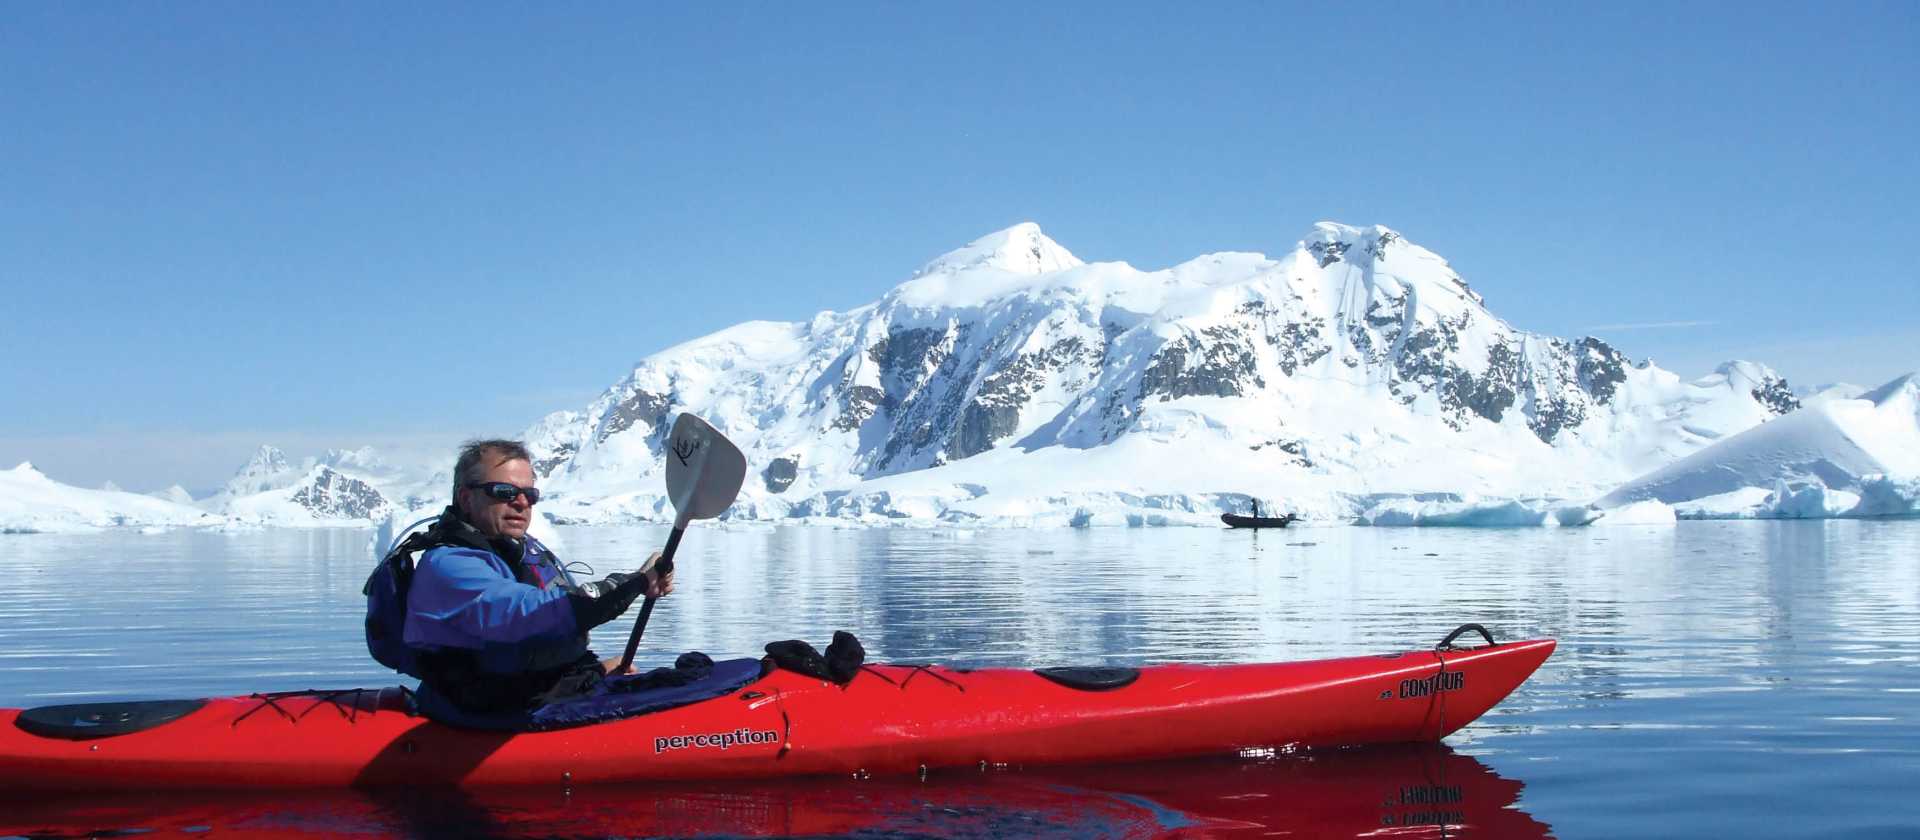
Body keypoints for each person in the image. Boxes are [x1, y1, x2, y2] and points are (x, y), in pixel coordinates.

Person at [402, 439, 672, 714]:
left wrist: (597, 671)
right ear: (466, 498)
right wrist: (636, 582)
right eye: (504, 492)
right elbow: (537, 612)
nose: (521, 502)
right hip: (489, 717)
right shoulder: (450, 566)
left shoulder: (510, 554)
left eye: (530, 495)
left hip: (533, 698)